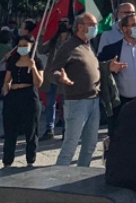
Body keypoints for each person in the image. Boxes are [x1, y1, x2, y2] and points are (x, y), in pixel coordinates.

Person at [48, 13, 102, 167]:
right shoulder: (68, 46)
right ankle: (58, 181)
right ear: (80, 26)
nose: (95, 27)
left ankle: (81, 177)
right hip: (77, 102)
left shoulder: (88, 45)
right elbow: (53, 71)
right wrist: (61, 78)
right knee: (70, 146)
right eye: (91, 24)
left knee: (90, 146)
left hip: (94, 100)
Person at [0, 34, 43, 167]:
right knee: (10, 130)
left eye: (25, 46)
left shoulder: (37, 61)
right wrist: (6, 91)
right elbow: (7, 79)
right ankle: (7, 160)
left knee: (31, 129)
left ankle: (30, 159)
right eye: (20, 46)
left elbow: (39, 83)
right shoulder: (13, 60)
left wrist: (34, 67)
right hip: (13, 95)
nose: (22, 48)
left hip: (29, 95)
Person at [39, 18, 71, 141]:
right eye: (60, 22)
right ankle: (49, 129)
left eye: (65, 21)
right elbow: (41, 49)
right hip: (52, 75)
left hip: (65, 75)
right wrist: (42, 36)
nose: (62, 24)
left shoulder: (72, 41)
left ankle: (65, 129)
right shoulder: (54, 40)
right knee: (50, 104)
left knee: (65, 104)